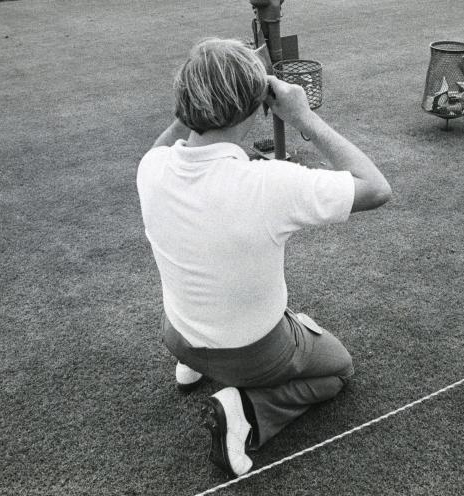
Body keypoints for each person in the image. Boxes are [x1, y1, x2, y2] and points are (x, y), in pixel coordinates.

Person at [136, 38, 391, 477]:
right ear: (256, 106)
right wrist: (301, 114)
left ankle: (195, 368)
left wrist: (204, 88)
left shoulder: (151, 168)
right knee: (337, 371)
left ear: (185, 101)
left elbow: (166, 143)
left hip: (177, 334)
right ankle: (245, 410)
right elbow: (376, 187)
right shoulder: (268, 182)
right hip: (252, 353)